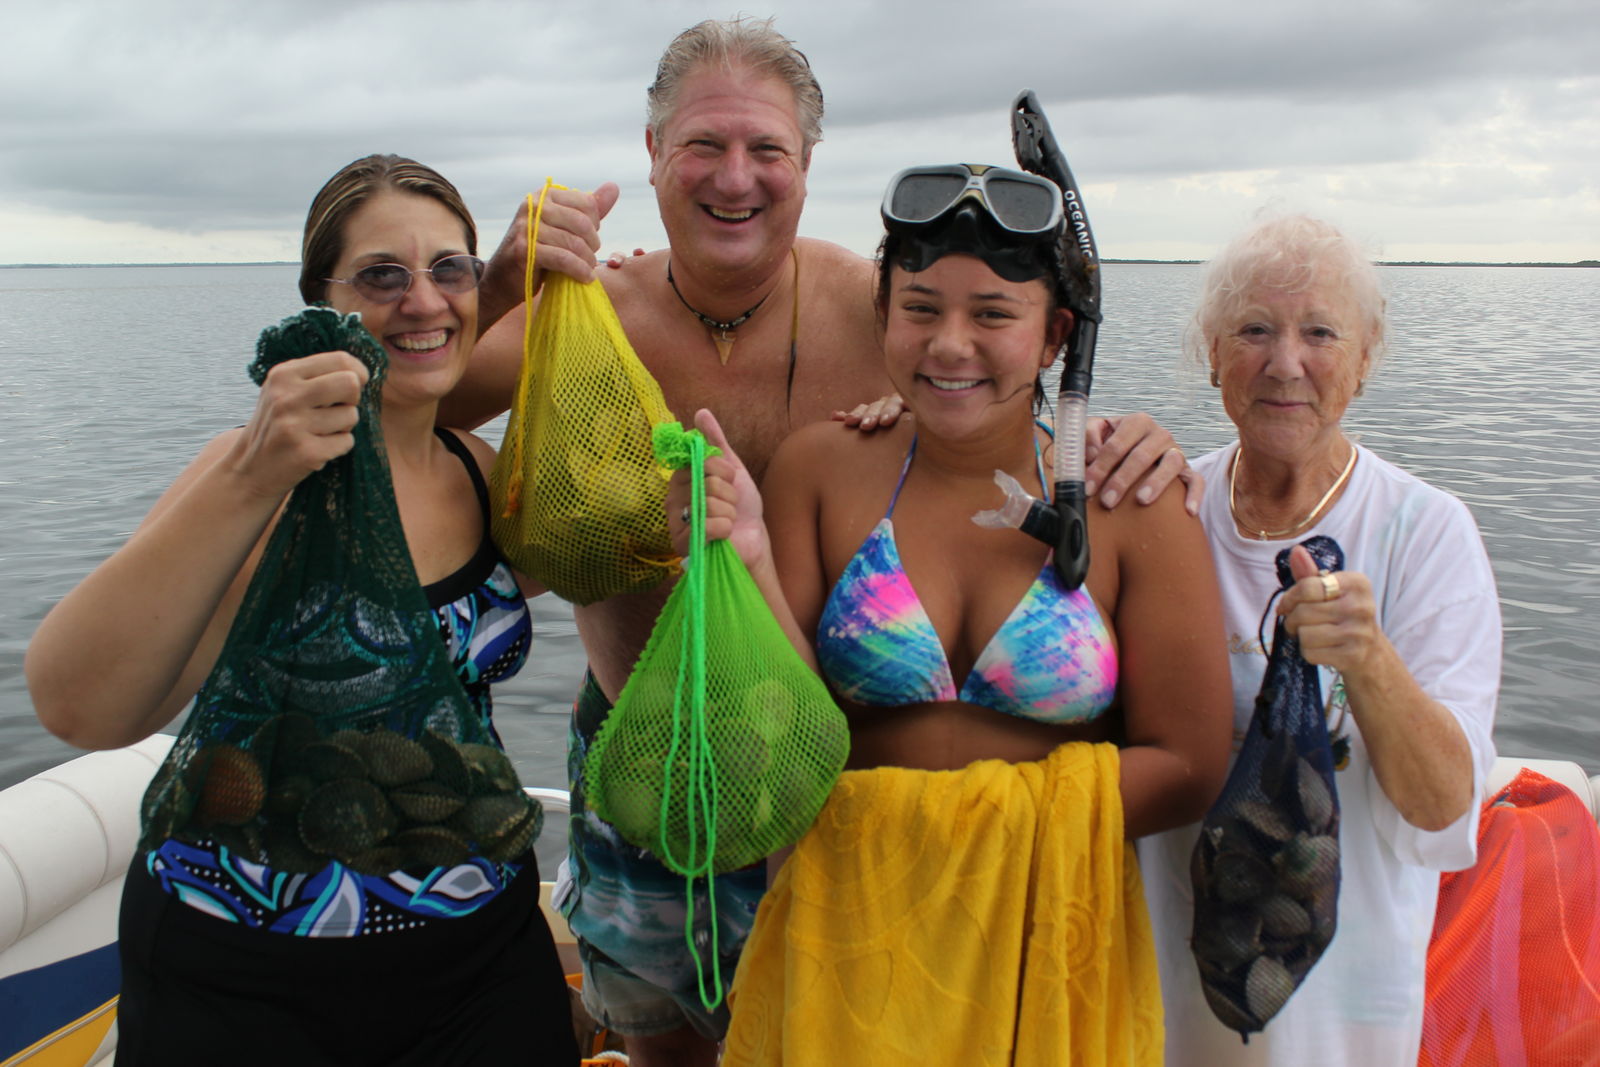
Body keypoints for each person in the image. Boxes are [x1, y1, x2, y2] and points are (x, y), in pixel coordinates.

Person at [438, 17, 1200, 1064]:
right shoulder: (583, 315)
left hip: (824, 779)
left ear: (807, 166)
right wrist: (489, 288)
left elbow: (998, 383)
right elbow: (407, 417)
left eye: (767, 150)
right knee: (663, 1048)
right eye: (703, 144)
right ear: (652, 152)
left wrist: (1122, 435)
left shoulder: (878, 313)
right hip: (644, 761)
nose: (734, 178)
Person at [665, 159, 1235, 1063]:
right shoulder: (821, 470)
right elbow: (785, 730)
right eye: (920, 308)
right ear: (884, 316)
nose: (950, 343)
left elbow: (1193, 763)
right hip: (845, 948)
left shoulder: (1132, 502)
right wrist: (749, 560)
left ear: (1055, 338)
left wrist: (976, 840)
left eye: (993, 315)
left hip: (1040, 955)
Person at [24, 155, 580, 1066]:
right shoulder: (260, 477)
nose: (425, 301)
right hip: (247, 976)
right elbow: (81, 706)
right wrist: (252, 470)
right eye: (382, 276)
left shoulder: (476, 472)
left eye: (449, 269)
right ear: (321, 301)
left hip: (478, 952)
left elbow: (583, 561)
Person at [1134, 214, 1501, 1065]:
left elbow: (1444, 807)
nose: (1285, 362)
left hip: (1341, 1014)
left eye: (1320, 332)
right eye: (1254, 330)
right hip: (1157, 992)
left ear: (1366, 357)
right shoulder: (1163, 507)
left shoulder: (1426, 529)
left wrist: (1370, 661)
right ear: (1211, 351)